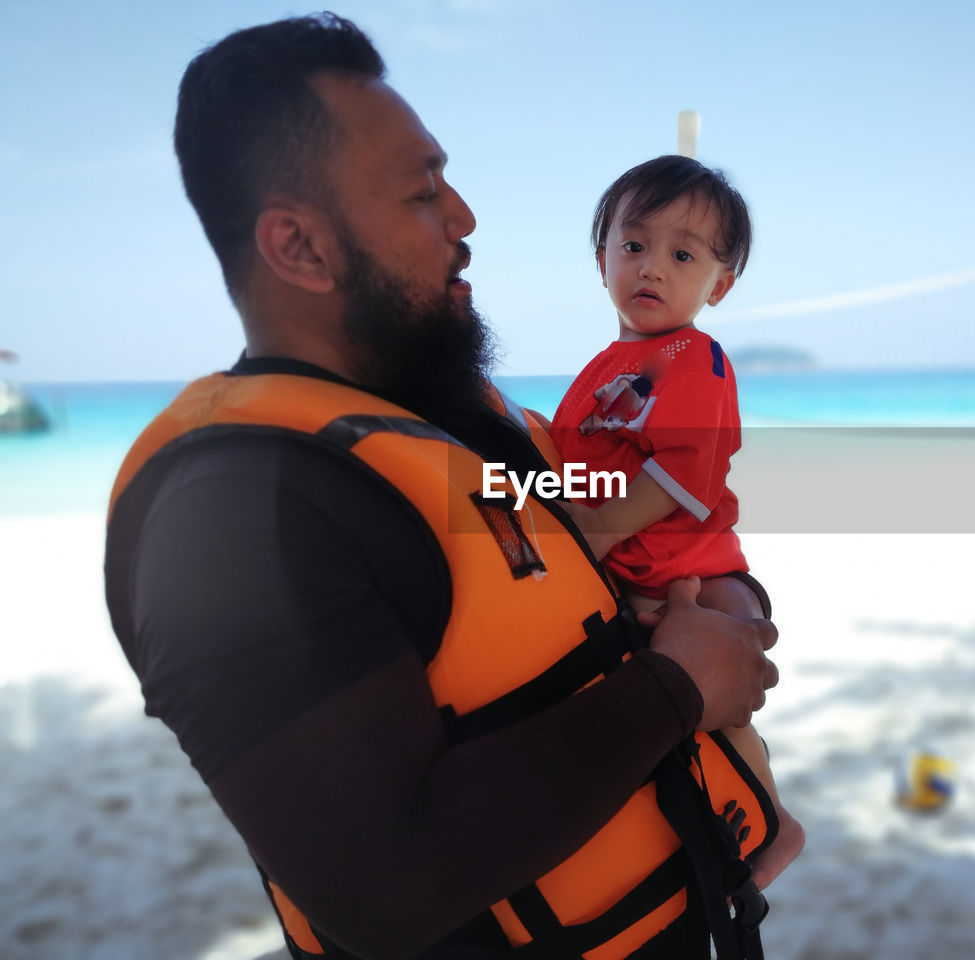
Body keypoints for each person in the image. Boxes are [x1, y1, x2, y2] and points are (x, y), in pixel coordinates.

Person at [103, 13, 780, 960]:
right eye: (425, 192)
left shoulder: (473, 420)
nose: (465, 218)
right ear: (300, 248)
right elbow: (381, 890)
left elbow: (624, 550)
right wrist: (676, 688)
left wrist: (734, 607)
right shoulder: (229, 515)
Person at [553, 156, 804, 890]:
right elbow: (577, 458)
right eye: (633, 246)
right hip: (634, 576)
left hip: (695, 571)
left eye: (682, 254)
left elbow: (682, 473)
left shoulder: (693, 358)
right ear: (601, 260)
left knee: (723, 701)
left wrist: (594, 533)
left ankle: (774, 820)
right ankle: (689, 820)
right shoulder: (605, 364)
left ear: (718, 286)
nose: (651, 267)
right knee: (659, 714)